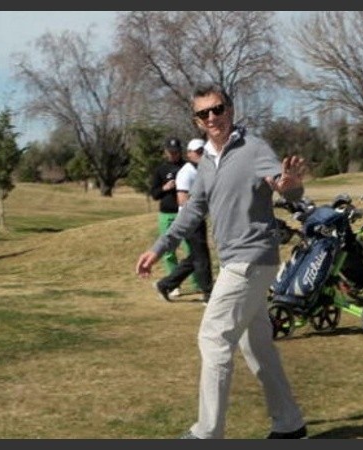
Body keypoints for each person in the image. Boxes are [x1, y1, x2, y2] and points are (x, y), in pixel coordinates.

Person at [135, 83, 308, 439]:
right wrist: (159, 247)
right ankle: (290, 425)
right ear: (196, 121)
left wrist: (290, 185)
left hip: (251, 258)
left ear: (230, 110)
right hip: (240, 261)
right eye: (204, 113)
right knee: (255, 343)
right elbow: (192, 211)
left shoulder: (254, 148)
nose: (212, 118)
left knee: (213, 337)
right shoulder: (206, 165)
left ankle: (207, 433)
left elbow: (283, 185)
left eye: (218, 109)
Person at [153, 138, 214, 304]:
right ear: (190, 154)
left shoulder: (204, 169)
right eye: (198, 152)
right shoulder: (186, 172)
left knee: (195, 256)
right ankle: (208, 293)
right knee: (202, 258)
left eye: (204, 152)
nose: (202, 155)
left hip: (199, 219)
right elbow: (182, 200)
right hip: (189, 220)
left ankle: (165, 284)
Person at [149, 137, 190, 297]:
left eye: (176, 152)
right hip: (166, 214)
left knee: (190, 249)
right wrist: (165, 188)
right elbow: (154, 194)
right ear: (166, 152)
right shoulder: (160, 170)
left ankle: (197, 281)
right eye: (170, 152)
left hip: (185, 213)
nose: (173, 155)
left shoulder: (187, 167)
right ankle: (174, 285)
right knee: (168, 251)